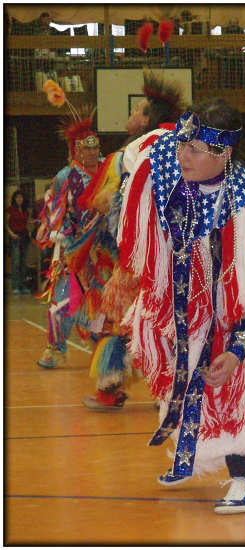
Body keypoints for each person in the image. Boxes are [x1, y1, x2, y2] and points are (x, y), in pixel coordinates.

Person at [117, 98, 245, 514]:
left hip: (223, 309)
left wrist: (237, 352)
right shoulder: (169, 162)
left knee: (223, 381)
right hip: (177, 300)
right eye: (183, 143)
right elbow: (139, 153)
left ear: (225, 153)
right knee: (177, 379)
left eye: (196, 149)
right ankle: (188, 457)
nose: (184, 154)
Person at [77, 70, 185, 410]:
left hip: (139, 255)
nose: (132, 114)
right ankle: (170, 392)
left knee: (122, 321)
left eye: (137, 109)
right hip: (180, 252)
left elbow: (108, 203)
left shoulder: (133, 150)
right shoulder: (188, 141)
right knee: (171, 320)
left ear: (147, 119)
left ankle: (108, 390)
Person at [36, 113, 103, 368]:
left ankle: (103, 342)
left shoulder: (108, 169)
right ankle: (55, 347)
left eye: (95, 147)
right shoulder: (67, 176)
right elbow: (55, 209)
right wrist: (62, 236)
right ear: (76, 150)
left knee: (102, 299)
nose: (92, 153)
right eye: (87, 148)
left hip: (103, 249)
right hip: (73, 249)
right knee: (62, 299)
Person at [6, 189, 31, 295]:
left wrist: (29, 232)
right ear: (14, 199)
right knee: (16, 262)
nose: (19, 199)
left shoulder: (25, 210)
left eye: (21, 197)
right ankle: (15, 286)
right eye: (17, 197)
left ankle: (23, 286)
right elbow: (5, 223)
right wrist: (11, 234)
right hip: (15, 236)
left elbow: (28, 223)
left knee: (24, 262)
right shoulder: (10, 210)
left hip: (24, 236)